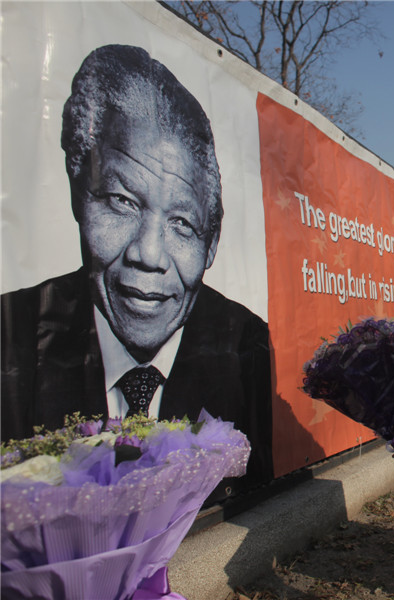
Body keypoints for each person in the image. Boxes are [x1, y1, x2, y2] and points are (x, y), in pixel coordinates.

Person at [1, 44, 273, 498]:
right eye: (121, 202)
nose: (149, 255)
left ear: (212, 243)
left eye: (182, 224)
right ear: (77, 194)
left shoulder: (246, 344)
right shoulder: (12, 335)